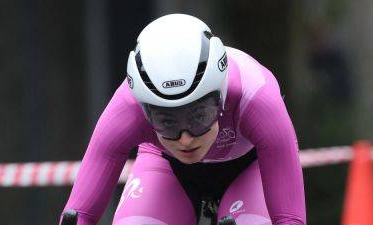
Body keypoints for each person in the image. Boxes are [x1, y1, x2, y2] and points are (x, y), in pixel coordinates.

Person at [60, 14, 306, 225]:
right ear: (144, 109)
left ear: (220, 96)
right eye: (167, 120)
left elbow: (290, 218)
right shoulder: (128, 104)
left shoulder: (257, 96)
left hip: (249, 165)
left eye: (199, 116)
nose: (186, 139)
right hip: (165, 163)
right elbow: (80, 213)